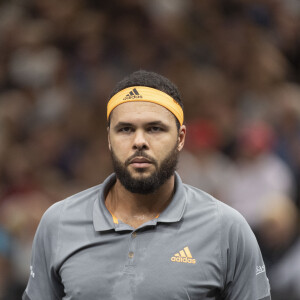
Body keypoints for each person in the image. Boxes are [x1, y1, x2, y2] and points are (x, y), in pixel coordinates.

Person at [23, 70, 271, 300]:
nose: (139, 141)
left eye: (155, 128)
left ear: (181, 138)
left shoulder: (226, 228)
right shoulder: (58, 223)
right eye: (125, 129)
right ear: (109, 138)